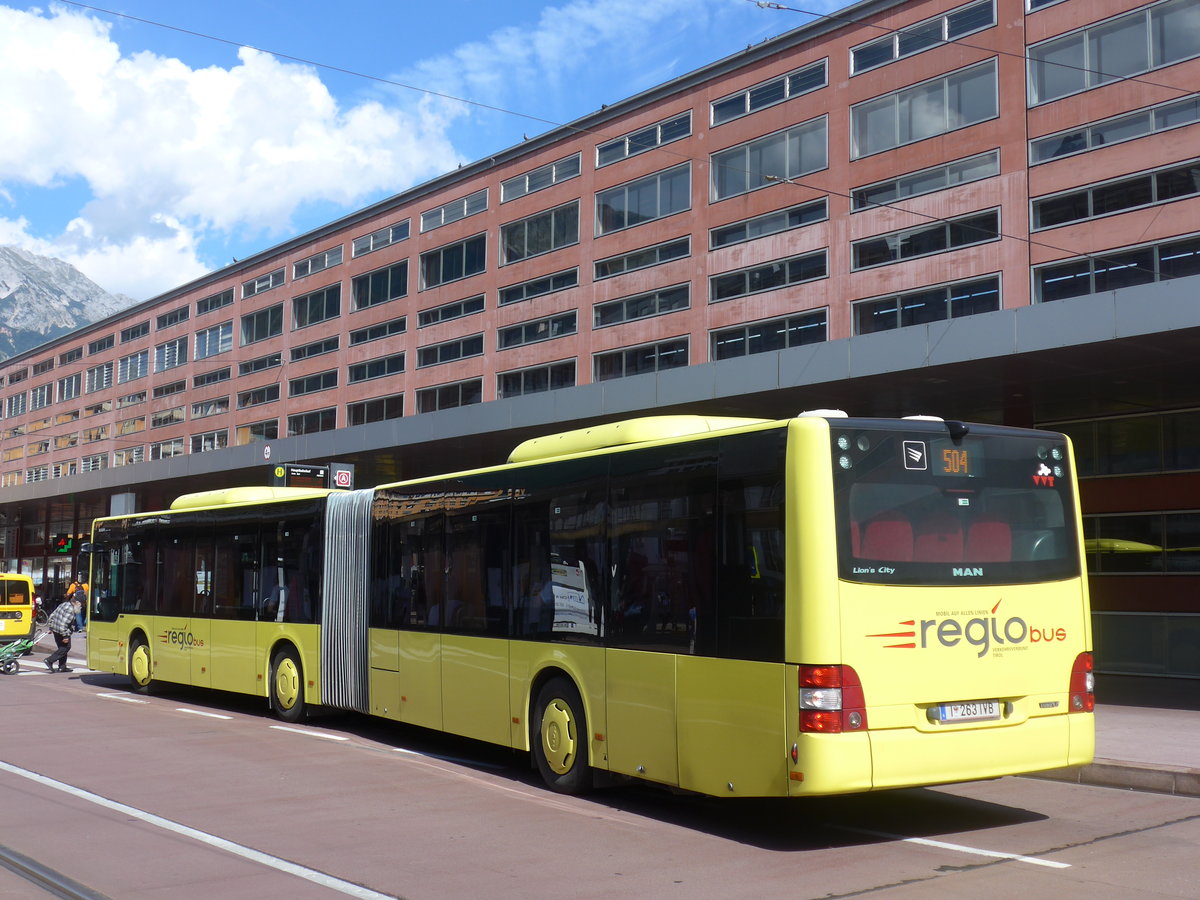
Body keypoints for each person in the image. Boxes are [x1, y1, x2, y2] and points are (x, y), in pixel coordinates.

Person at [45, 598, 80, 673]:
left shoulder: (63, 604)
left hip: (55, 629)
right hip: (62, 631)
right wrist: (66, 636)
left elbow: (52, 615)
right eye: (80, 604)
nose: (81, 607)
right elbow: (63, 625)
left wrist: (51, 627)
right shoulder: (71, 610)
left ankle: (62, 666)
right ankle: (49, 660)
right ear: (76, 603)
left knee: (61, 648)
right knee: (65, 648)